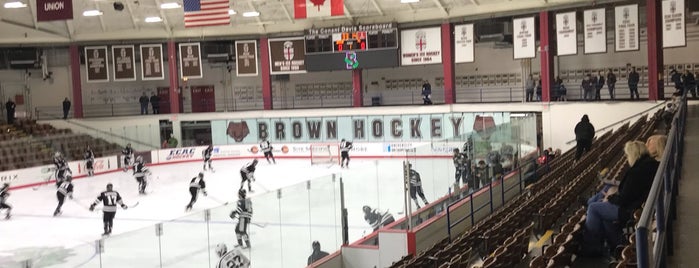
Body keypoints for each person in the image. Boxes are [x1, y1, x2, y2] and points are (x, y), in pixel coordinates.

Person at [582, 141, 659, 255]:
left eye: (628, 155)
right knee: (604, 216)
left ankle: (592, 246)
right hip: (639, 206)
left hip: (631, 210)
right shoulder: (648, 165)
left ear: (633, 154)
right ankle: (617, 245)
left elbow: (624, 198)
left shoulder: (637, 171)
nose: (627, 158)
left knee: (594, 208)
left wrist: (610, 198)